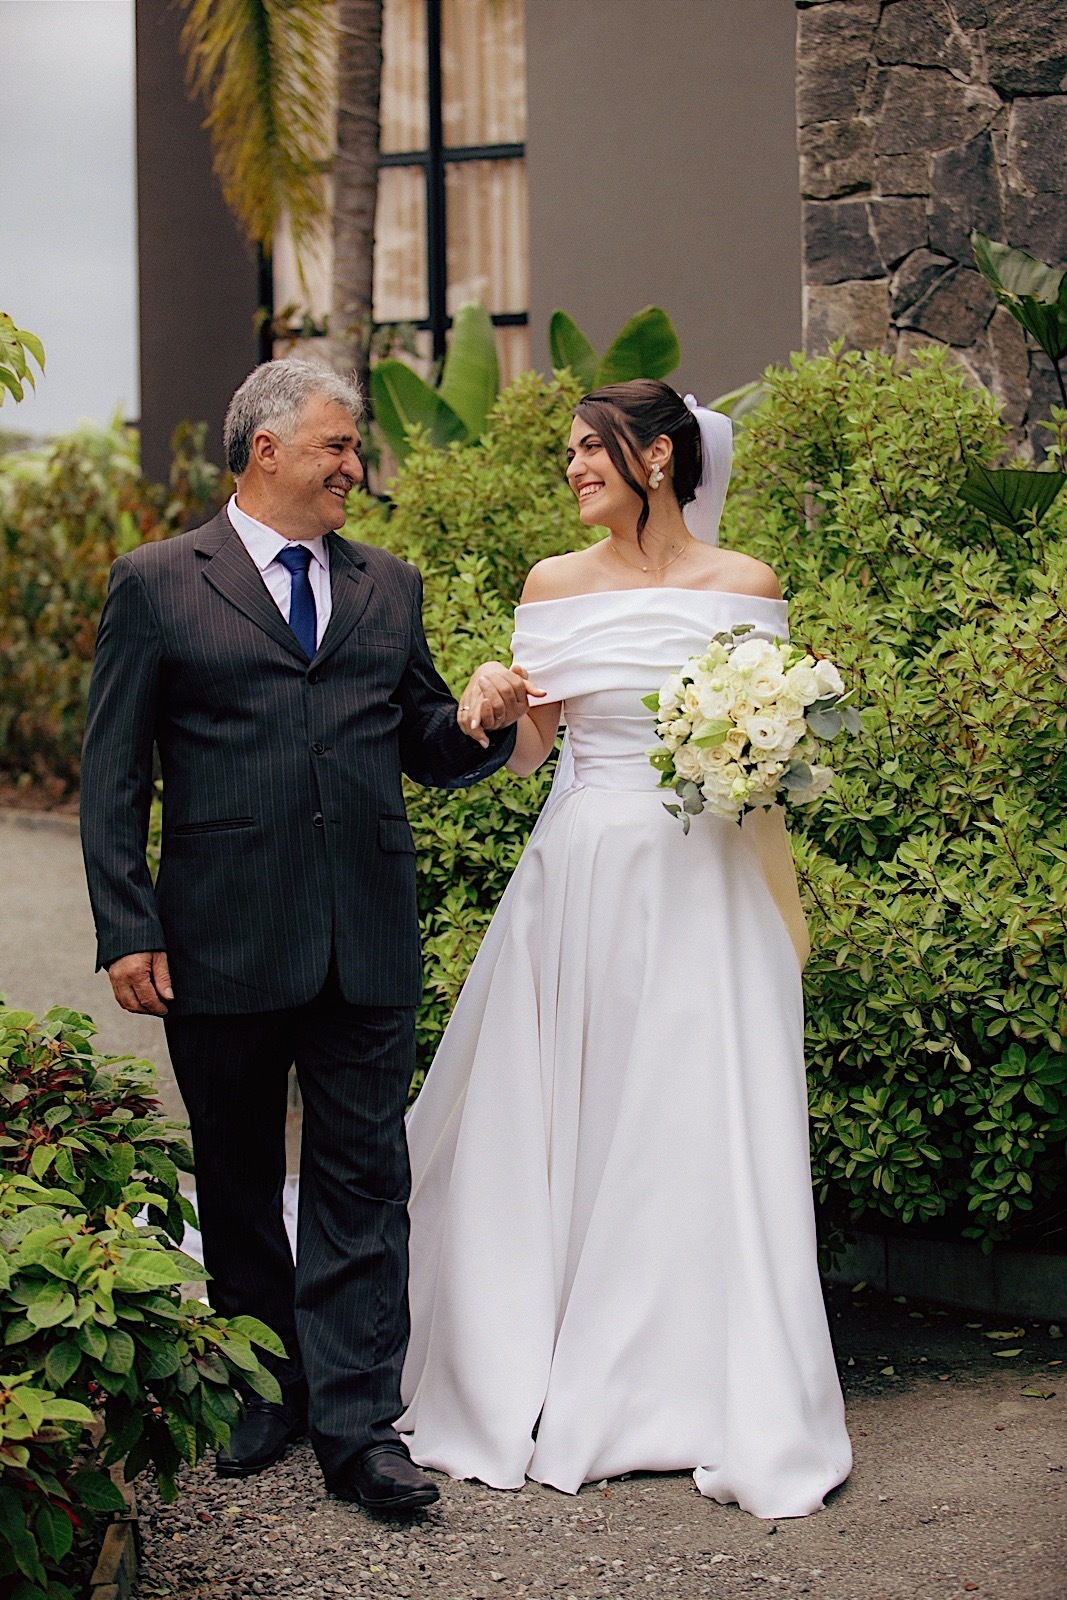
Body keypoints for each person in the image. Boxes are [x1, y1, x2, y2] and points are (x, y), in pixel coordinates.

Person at [79, 358, 535, 1515]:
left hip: (364, 932)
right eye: (337, 445)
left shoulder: (390, 584)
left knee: (361, 1178)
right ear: (265, 446)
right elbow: (113, 772)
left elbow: (423, 739)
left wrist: (478, 721)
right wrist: (127, 921)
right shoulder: (155, 582)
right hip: (219, 933)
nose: (354, 466)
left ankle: (356, 1426)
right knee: (234, 1174)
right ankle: (258, 1388)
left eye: (354, 447)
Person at [398, 379, 853, 1520]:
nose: (571, 469)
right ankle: (551, 1354)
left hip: (711, 879)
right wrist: (492, 699)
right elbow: (529, 749)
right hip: (585, 874)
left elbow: (785, 739)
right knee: (580, 1106)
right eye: (566, 455)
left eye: (587, 450)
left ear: (655, 456)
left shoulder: (744, 586)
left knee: (701, 1111)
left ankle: (699, 1375)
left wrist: (759, 749)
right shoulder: (551, 584)